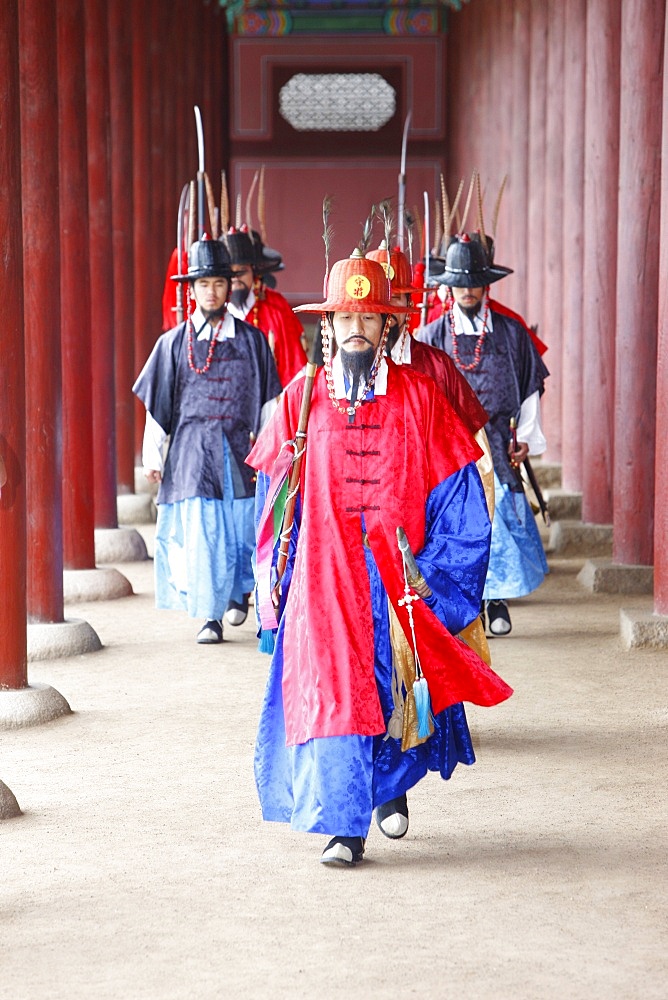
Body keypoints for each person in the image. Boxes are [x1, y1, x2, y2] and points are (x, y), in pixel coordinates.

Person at [248, 248, 512, 867]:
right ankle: (345, 825)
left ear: (389, 326)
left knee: (394, 693)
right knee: (335, 692)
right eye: (346, 319)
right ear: (327, 327)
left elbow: (459, 496)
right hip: (324, 579)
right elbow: (272, 503)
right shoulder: (300, 400)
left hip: (397, 579)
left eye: (370, 319)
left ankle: (385, 792)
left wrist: (442, 580)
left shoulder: (420, 397)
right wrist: (273, 581)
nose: (357, 330)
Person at [133, 236, 282, 644]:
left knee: (239, 531)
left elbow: (269, 403)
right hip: (191, 454)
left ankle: (239, 594)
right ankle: (209, 615)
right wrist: (154, 456)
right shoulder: (172, 343)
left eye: (218, 283)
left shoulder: (251, 340)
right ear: (192, 289)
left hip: (239, 449)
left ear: (228, 285)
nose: (212, 291)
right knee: (201, 535)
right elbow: (158, 407)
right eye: (203, 285)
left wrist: (274, 453)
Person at [416, 234, 550, 637]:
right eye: (461, 282)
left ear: (486, 284)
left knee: (499, 526)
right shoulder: (432, 336)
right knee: (458, 526)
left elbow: (530, 388)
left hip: (496, 438)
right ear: (448, 286)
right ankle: (464, 605)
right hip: (449, 447)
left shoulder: (511, 333)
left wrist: (526, 436)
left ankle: (497, 601)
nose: (468, 290)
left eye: (475, 281)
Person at [221, 226, 308, 386]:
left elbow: (294, 368)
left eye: (242, 271)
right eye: (229, 273)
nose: (235, 278)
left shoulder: (276, 307)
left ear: (254, 273)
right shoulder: (215, 309)